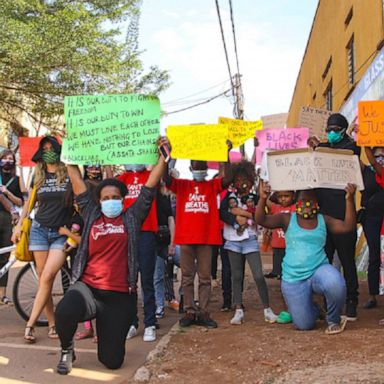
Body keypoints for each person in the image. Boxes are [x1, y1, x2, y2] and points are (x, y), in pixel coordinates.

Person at [54, 138, 169, 375]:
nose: (110, 202)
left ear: (123, 199)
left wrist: (163, 157)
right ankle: (67, 350)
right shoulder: (92, 214)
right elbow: (76, 180)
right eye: (105, 198)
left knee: (112, 361)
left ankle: (106, 329)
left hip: (118, 296)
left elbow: (149, 187)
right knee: (64, 311)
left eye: (115, 197)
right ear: (98, 201)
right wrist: (70, 151)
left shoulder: (132, 217)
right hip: (88, 288)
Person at [256, 181, 357, 334]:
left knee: (336, 284)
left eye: (310, 202)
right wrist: (263, 198)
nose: (306, 205)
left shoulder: (324, 219)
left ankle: (334, 319)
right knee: (304, 325)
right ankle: (316, 309)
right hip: (293, 278)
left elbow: (347, 226)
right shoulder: (286, 219)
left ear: (317, 204)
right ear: (296, 202)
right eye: (302, 202)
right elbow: (261, 220)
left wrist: (349, 200)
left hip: (319, 270)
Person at [12, 136, 71, 343]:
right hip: (38, 230)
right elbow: (29, 204)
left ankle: (30, 325)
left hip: (60, 233)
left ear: (58, 149)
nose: (48, 151)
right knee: (44, 280)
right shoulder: (38, 174)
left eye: (51, 147)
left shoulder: (69, 173)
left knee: (46, 277)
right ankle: (52, 324)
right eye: (44, 148)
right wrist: (19, 225)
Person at [164, 157, 233, 328]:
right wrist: (166, 157)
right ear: (190, 167)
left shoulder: (212, 185)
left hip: (206, 239)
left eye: (203, 167)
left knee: (204, 278)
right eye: (197, 166)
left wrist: (226, 155)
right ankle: (189, 310)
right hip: (186, 238)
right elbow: (166, 179)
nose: (200, 169)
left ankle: (203, 311)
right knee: (186, 277)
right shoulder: (182, 185)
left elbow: (229, 179)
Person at [312, 113, 360, 320]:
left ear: (343, 130)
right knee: (325, 261)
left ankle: (351, 302)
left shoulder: (352, 149)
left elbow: (352, 151)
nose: (331, 134)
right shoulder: (321, 148)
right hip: (324, 216)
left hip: (343, 215)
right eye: (328, 130)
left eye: (335, 130)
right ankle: (328, 302)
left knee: (348, 262)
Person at [220, 161, 277, 325]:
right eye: (238, 179)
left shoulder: (255, 197)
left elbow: (263, 212)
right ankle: (238, 310)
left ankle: (267, 309)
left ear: (251, 180)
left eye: (245, 179)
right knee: (236, 276)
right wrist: (235, 219)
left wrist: (244, 213)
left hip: (250, 240)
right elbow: (223, 213)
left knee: (259, 276)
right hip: (232, 240)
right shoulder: (229, 197)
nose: (241, 183)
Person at [117, 163, 159, 342]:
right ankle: (131, 322)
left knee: (147, 280)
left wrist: (161, 152)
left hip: (147, 232)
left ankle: (149, 323)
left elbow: (161, 168)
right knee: (129, 281)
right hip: (127, 232)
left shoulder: (150, 175)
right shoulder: (122, 178)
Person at [0, 150, 26, 304]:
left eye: (10, 159)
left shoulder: (16, 180)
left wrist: (7, 192)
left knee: (5, 259)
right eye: (4, 158)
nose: (7, 161)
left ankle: (2, 294)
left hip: (8, 220)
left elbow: (21, 202)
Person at [362, 147, 384, 309]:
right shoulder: (367, 172)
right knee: (374, 255)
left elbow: (373, 163)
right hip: (371, 219)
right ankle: (372, 295)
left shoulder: (380, 172)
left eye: (383, 155)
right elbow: (350, 160)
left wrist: (366, 144)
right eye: (377, 155)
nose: (380, 158)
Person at [153, 181, 176, 319]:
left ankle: (183, 297)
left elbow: (170, 219)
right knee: (158, 275)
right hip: (154, 240)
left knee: (187, 265)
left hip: (166, 238)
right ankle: (159, 305)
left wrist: (173, 242)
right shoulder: (146, 195)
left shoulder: (165, 195)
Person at [264, 190, 295, 280]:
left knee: (289, 269)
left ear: (293, 196)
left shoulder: (295, 208)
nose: (283, 199)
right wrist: (265, 192)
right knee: (279, 267)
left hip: (290, 245)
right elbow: (267, 202)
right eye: (280, 197)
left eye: (286, 196)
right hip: (277, 244)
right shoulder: (276, 208)